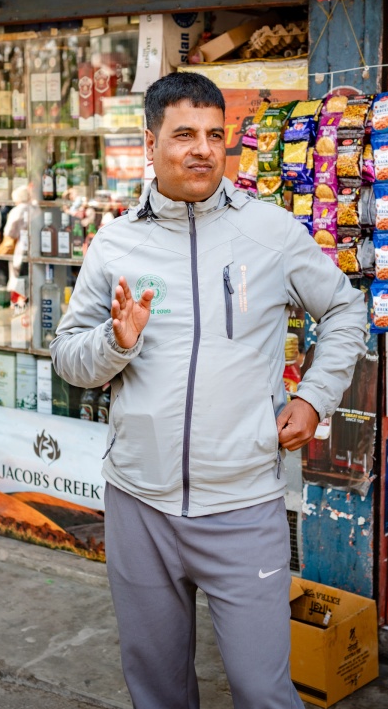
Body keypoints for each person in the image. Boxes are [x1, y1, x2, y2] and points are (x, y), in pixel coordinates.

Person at [51, 72, 366, 708]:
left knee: (261, 689)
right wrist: (116, 343)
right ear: (150, 142)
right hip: (139, 501)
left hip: (243, 504)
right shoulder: (115, 243)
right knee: (158, 687)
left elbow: (345, 311)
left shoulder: (270, 233)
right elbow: (67, 358)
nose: (202, 149)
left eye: (215, 135)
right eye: (184, 134)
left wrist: (313, 397)